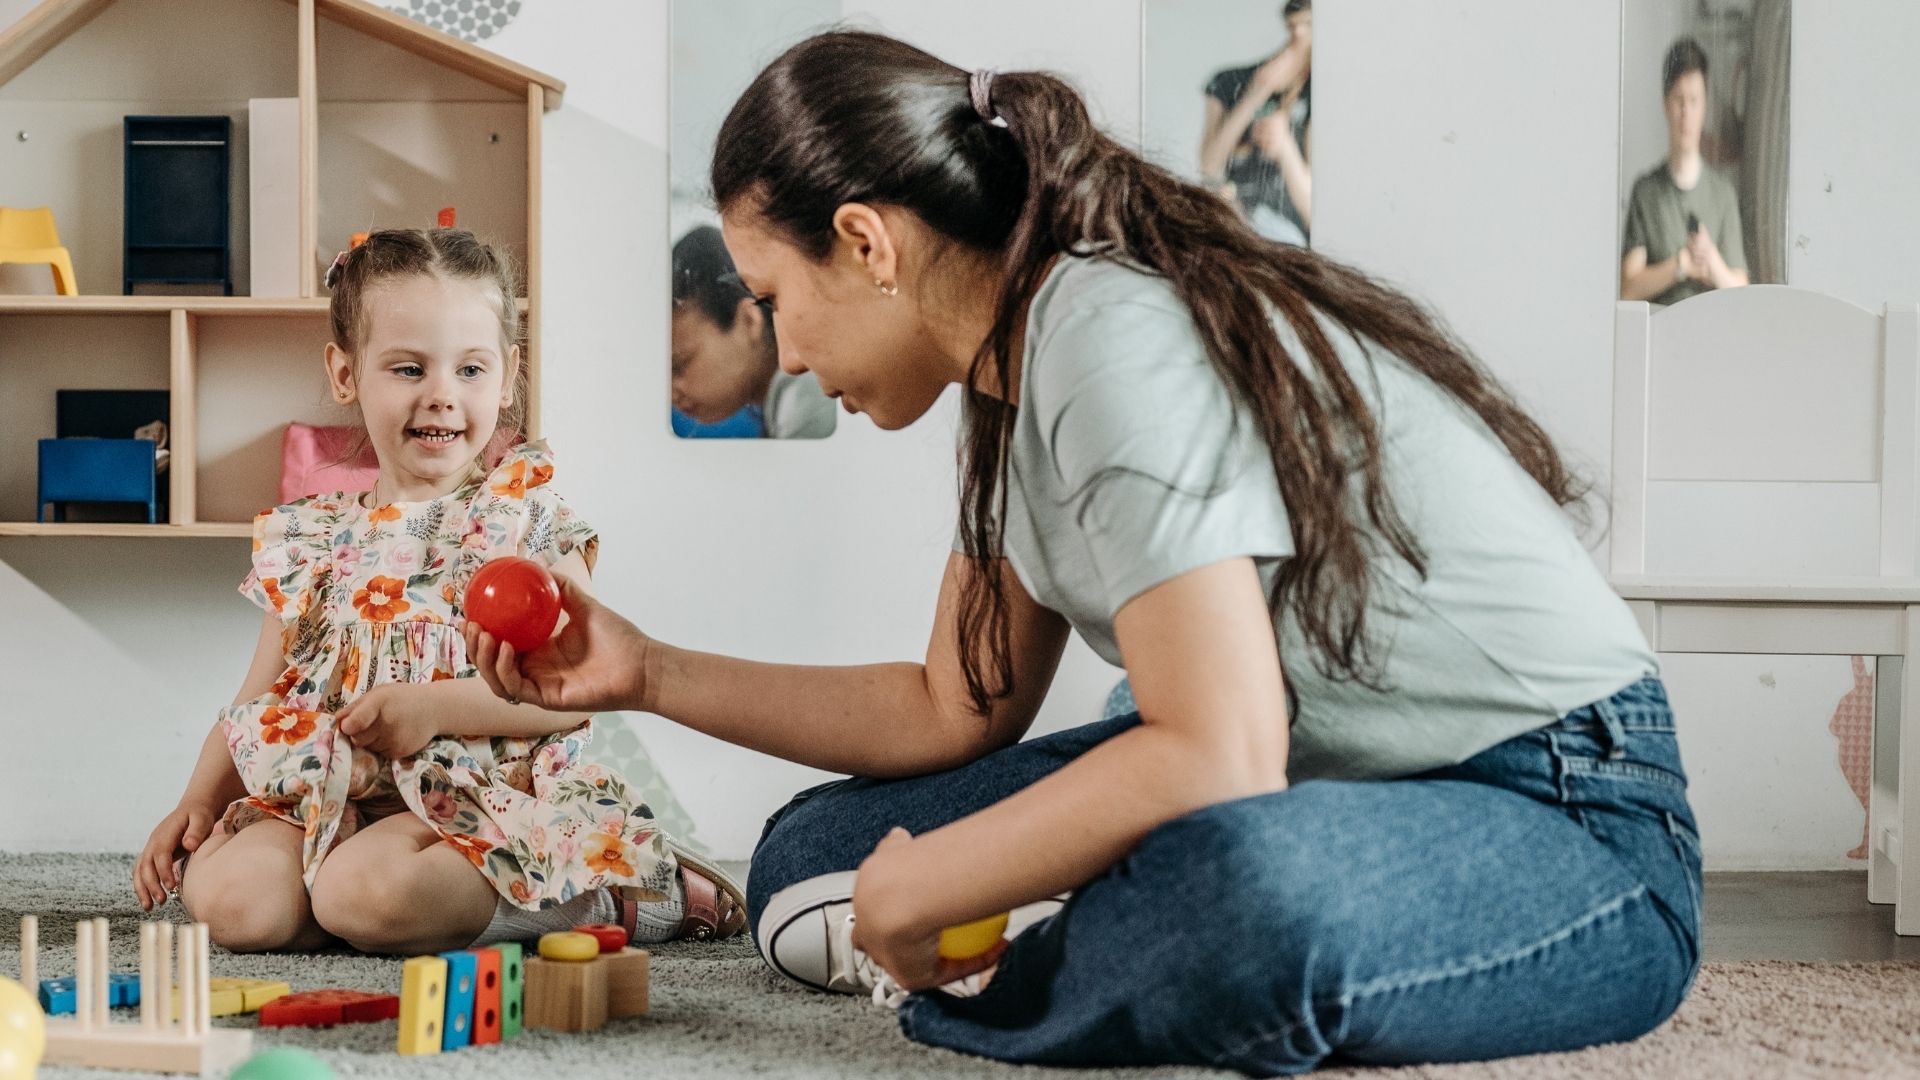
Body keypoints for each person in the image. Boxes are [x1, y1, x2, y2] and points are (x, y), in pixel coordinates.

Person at [467, 31, 1700, 1075]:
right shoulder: (1011, 378)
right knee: (809, 852)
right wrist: (646, 672)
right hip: (1323, 772)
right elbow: (952, 706)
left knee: (1238, 894)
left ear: (867, 241)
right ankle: (1068, 913)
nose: (783, 355)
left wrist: (934, 882)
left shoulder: (1106, 337)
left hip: (1566, 807)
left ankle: (1053, 934)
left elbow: (1218, 751)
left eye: (776, 298)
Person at [133, 227, 744, 955]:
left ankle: (607, 892)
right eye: (408, 368)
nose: (442, 396)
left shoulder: (526, 520)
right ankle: (352, 903)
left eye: (471, 369)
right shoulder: (308, 538)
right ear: (345, 372)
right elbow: (258, 703)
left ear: (509, 374)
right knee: (234, 906)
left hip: (478, 797)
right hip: (332, 795)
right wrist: (197, 801)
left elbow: (577, 694)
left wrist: (432, 708)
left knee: (366, 894)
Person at [673, 225, 836, 438]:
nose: (672, 392)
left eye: (680, 364)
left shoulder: (809, 397)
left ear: (749, 321)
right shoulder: (786, 405)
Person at [1621, 37, 1749, 304]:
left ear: (1704, 105)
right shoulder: (1646, 192)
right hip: (1658, 338)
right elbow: (1629, 286)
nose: (1686, 112)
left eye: (1694, 100)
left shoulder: (1723, 194)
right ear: (1665, 103)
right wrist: (1681, 265)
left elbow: (1742, 292)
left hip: (1712, 337)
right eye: (1679, 99)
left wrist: (1711, 259)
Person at [1198, 0, 1313, 245]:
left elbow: (1314, 212)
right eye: (1294, 25)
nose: (1300, 33)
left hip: (1290, 241)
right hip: (1235, 224)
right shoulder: (1229, 81)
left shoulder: (1322, 95)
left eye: (1309, 24)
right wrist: (1256, 93)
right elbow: (1209, 166)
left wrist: (1285, 148)